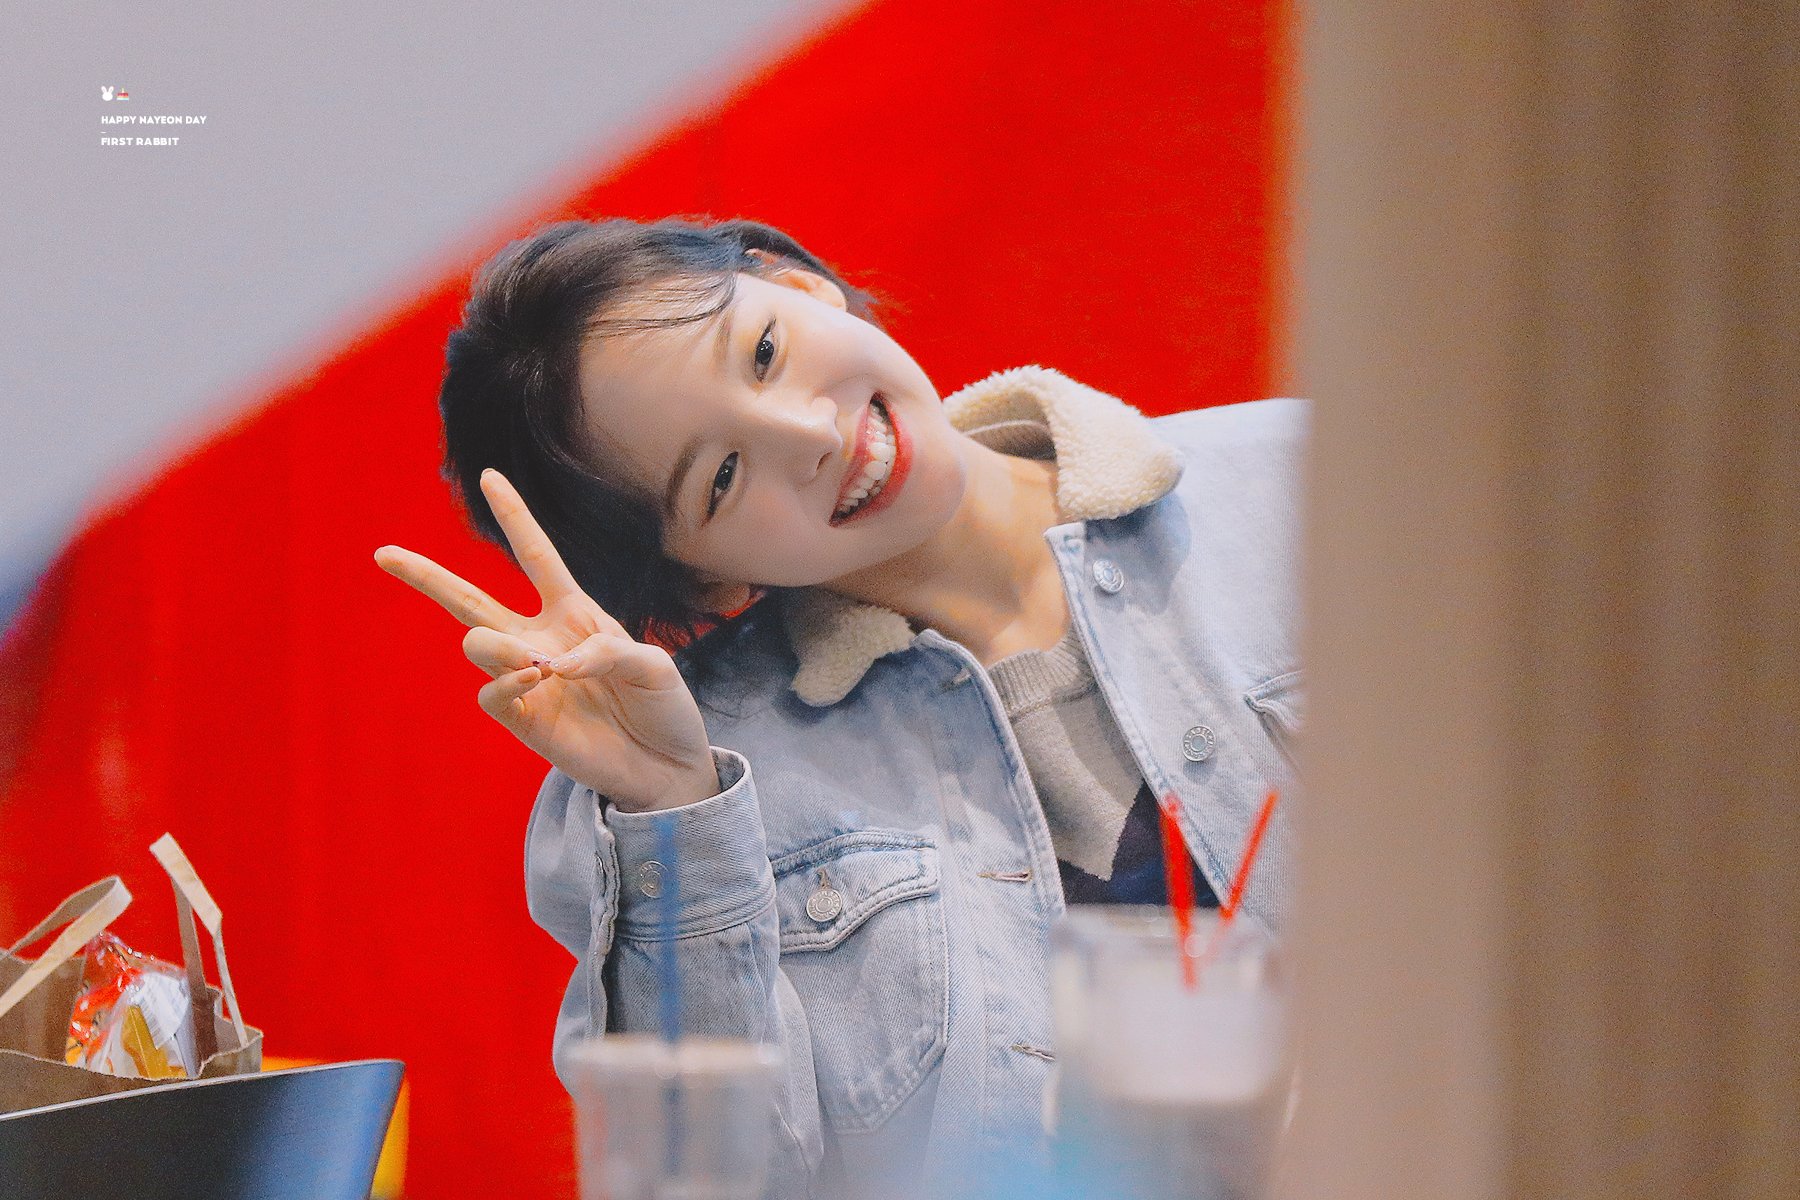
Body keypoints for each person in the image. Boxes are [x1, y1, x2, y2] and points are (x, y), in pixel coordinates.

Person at [374, 216, 1306, 1199]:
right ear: (708, 583)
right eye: (721, 478)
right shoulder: (710, 774)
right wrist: (674, 809)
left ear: (798, 283)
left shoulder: (1315, 482)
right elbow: (704, 1183)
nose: (812, 435)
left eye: (763, 353)